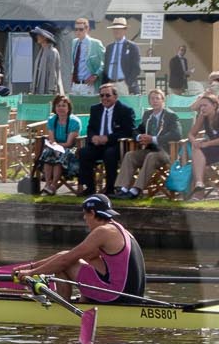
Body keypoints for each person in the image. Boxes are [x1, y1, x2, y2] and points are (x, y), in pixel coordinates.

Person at [11, 194, 145, 303]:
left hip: (116, 296)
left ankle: (62, 306)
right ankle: (84, 301)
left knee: (65, 265)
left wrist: (30, 273)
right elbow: (73, 255)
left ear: (92, 213)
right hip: (132, 296)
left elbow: (65, 260)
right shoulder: (120, 231)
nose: (84, 219)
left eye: (85, 215)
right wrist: (31, 266)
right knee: (85, 259)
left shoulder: (102, 232)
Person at [114, 88, 182, 197]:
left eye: (157, 99)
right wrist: (139, 137)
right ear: (149, 101)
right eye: (152, 99)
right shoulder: (147, 115)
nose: (154, 101)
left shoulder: (171, 116)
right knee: (130, 155)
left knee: (151, 156)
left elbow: (177, 134)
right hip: (150, 150)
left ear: (163, 101)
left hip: (166, 152)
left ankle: (136, 190)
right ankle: (122, 188)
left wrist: (153, 139)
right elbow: (137, 130)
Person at [78, 82, 134, 195]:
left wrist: (108, 138)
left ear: (115, 96)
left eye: (107, 95)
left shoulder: (125, 110)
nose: (104, 98)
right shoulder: (95, 109)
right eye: (102, 95)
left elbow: (128, 131)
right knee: (84, 152)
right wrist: (93, 137)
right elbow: (91, 128)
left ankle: (110, 189)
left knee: (109, 154)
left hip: (116, 144)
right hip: (98, 144)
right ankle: (90, 188)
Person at [184, 94, 219, 197]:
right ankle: (199, 184)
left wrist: (207, 143)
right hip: (211, 150)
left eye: (205, 105)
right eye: (201, 106)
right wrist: (194, 141)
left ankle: (198, 193)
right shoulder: (203, 116)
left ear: (214, 105)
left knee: (196, 158)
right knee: (196, 151)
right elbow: (190, 134)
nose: (202, 108)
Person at [34, 94, 82, 194]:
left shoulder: (74, 122)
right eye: (58, 105)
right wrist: (54, 147)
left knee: (59, 157)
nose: (61, 108)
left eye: (63, 106)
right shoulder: (52, 120)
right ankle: (47, 184)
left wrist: (57, 147)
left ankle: (54, 185)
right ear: (55, 108)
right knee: (48, 154)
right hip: (55, 147)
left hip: (71, 149)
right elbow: (52, 140)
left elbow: (69, 143)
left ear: (68, 108)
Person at [101, 17, 143, 93]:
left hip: (124, 84)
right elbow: (105, 68)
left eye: (119, 29)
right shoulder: (109, 48)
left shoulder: (132, 47)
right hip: (110, 84)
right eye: (114, 29)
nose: (116, 31)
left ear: (125, 30)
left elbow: (136, 68)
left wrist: (128, 83)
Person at [67, 17, 104, 97]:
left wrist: (96, 75)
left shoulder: (95, 43)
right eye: (76, 29)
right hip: (75, 84)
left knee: (88, 108)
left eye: (81, 29)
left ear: (87, 29)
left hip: (88, 85)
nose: (78, 32)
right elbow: (75, 62)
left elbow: (106, 61)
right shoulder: (74, 42)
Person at [27, 26, 65, 97]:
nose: (37, 37)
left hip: (48, 91)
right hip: (38, 90)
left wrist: (51, 91)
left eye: (39, 35)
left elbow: (53, 73)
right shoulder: (41, 51)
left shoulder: (53, 52)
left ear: (45, 37)